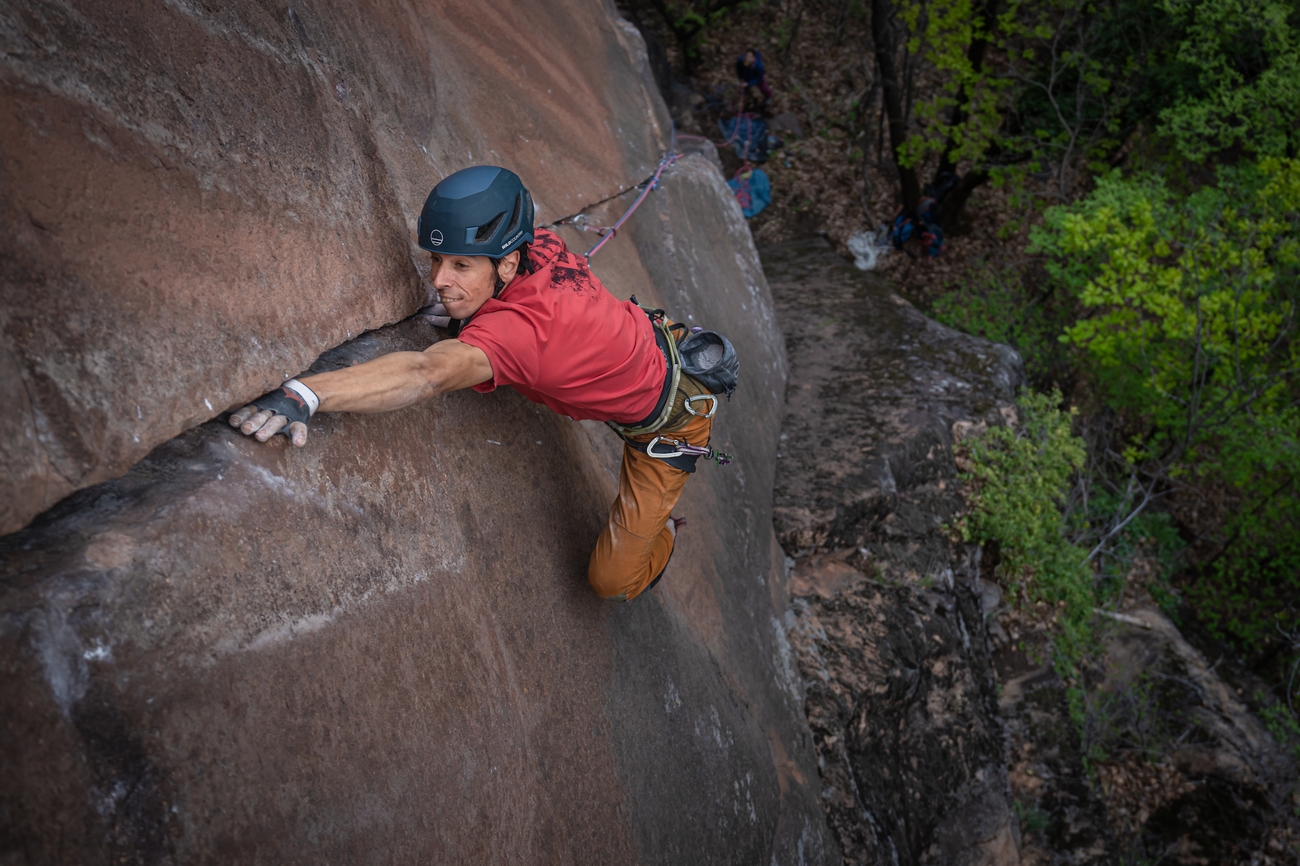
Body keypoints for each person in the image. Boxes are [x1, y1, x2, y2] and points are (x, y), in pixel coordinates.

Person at [229, 166, 734, 602]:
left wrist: (308, 393)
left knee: (611, 581)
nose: (439, 281)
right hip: (654, 344)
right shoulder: (539, 244)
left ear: (508, 262)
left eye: (461, 266)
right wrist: (470, 300)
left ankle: (661, 535)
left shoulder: (523, 338)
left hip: (670, 427)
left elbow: (426, 373)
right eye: (437, 260)